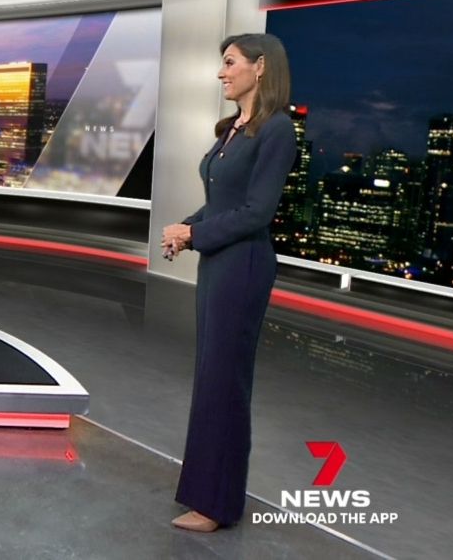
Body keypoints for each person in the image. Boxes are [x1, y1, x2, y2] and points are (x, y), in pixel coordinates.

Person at [161, 33, 297, 532]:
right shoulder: (233, 129)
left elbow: (257, 212)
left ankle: (218, 505)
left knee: (226, 382)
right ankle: (202, 492)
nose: (221, 72)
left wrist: (194, 235)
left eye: (230, 62)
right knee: (210, 378)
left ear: (260, 67)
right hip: (218, 264)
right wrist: (186, 229)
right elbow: (222, 202)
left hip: (244, 268)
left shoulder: (277, 130)